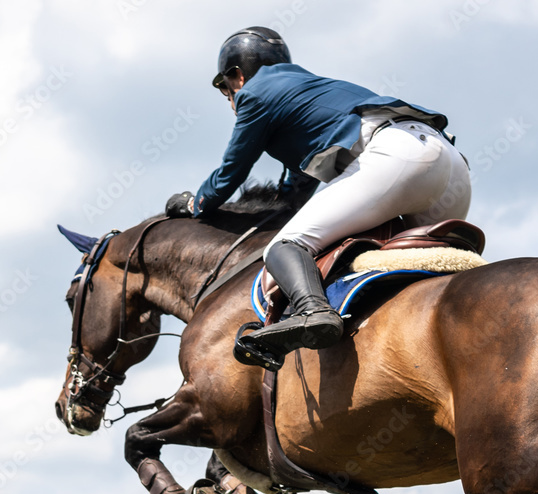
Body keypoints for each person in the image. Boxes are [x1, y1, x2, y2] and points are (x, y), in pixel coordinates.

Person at [165, 27, 471, 366]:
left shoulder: (255, 92)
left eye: (227, 93)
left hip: (398, 159)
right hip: (449, 164)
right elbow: (298, 185)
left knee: (284, 246)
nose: (232, 102)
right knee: (427, 282)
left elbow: (231, 171)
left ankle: (314, 312)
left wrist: (196, 203)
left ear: (237, 76)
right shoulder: (309, 91)